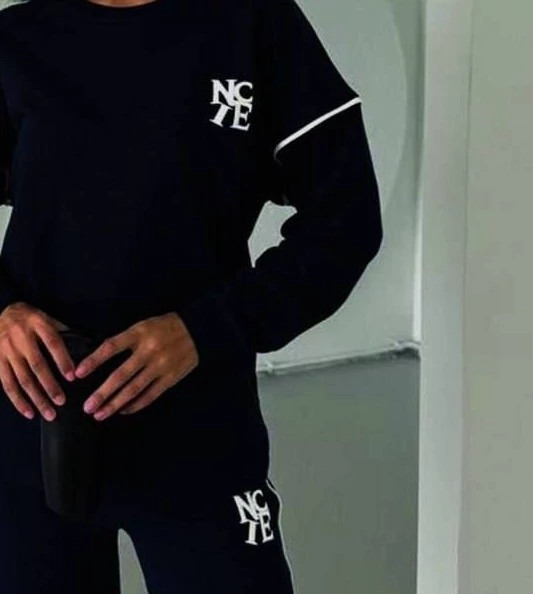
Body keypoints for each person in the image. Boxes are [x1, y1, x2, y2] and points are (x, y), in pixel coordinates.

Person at [0, 0, 384, 591]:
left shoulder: (253, 26)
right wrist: (1, 312)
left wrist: (208, 328)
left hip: (198, 428)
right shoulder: (17, 38)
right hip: (29, 423)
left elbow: (346, 221)